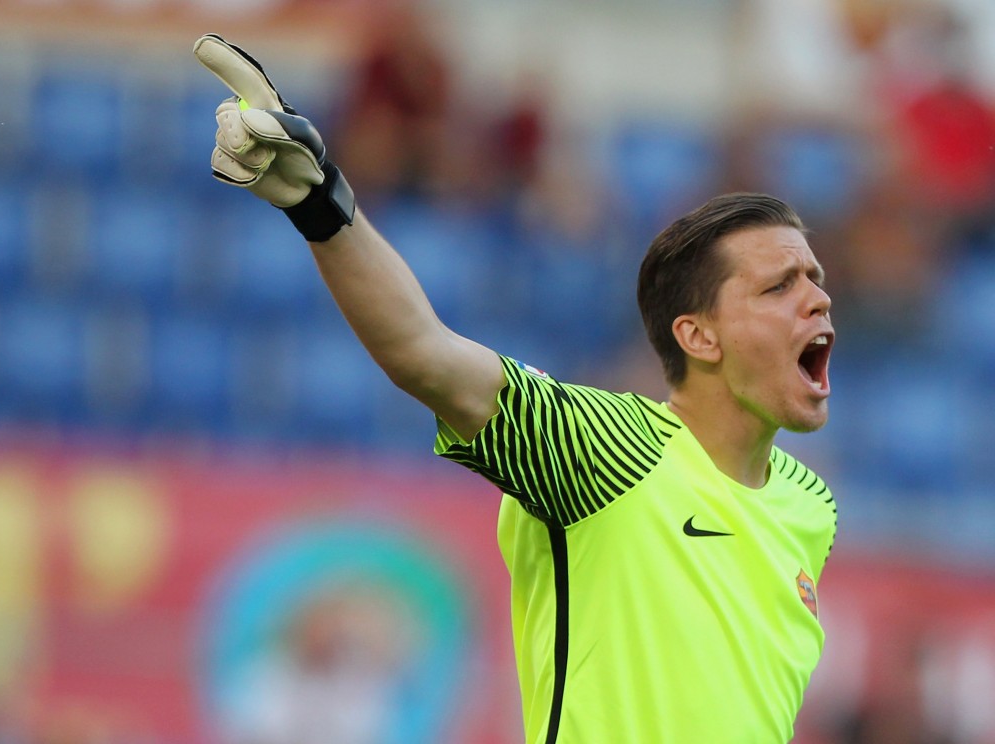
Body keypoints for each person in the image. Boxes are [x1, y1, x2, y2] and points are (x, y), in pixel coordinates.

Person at [193, 33, 838, 744]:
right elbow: (422, 351)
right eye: (780, 286)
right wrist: (319, 201)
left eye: (815, 281)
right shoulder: (609, 449)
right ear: (698, 336)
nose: (816, 301)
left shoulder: (812, 507)